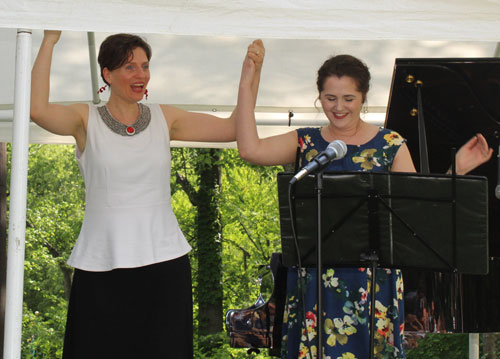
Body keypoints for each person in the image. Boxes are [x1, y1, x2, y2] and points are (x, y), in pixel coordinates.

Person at [236, 44, 492, 358]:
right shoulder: (306, 141)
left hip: (376, 286)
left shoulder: (390, 144)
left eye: (348, 99)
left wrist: (456, 171)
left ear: (364, 97)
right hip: (316, 284)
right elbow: (250, 150)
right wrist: (249, 81)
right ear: (319, 97)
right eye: (330, 99)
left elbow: (420, 214)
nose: (338, 107)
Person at [30, 31, 264, 359]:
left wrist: (249, 77)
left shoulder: (165, 117)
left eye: (145, 66)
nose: (141, 75)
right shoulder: (85, 119)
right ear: (107, 74)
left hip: (164, 264)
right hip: (101, 265)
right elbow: (38, 109)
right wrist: (49, 40)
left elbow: (231, 128)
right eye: (130, 67)